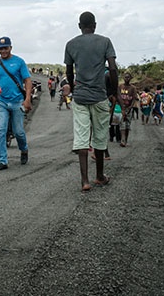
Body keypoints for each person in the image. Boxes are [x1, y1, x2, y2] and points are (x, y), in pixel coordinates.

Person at [64, 11, 117, 192]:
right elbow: (113, 68)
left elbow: (69, 72)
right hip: (99, 96)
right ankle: (100, 176)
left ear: (79, 26)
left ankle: (84, 181)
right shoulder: (105, 42)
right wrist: (113, 91)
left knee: (81, 138)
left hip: (80, 97)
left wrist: (72, 87)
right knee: (100, 136)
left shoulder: (71, 44)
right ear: (94, 25)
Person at [0, 37, 32, 170]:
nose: (3, 51)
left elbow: (27, 80)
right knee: (1, 130)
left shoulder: (19, 62)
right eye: (1, 48)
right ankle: (3, 161)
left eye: (5, 48)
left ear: (10, 48)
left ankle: (24, 149)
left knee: (19, 132)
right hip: (1, 102)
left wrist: (28, 99)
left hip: (17, 101)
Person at [117, 72, 137, 147]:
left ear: (130, 78)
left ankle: (125, 140)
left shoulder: (133, 88)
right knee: (122, 124)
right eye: (125, 77)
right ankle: (122, 140)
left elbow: (134, 99)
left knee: (127, 125)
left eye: (128, 77)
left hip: (129, 108)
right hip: (121, 108)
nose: (127, 79)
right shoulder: (120, 86)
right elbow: (118, 96)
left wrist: (130, 107)